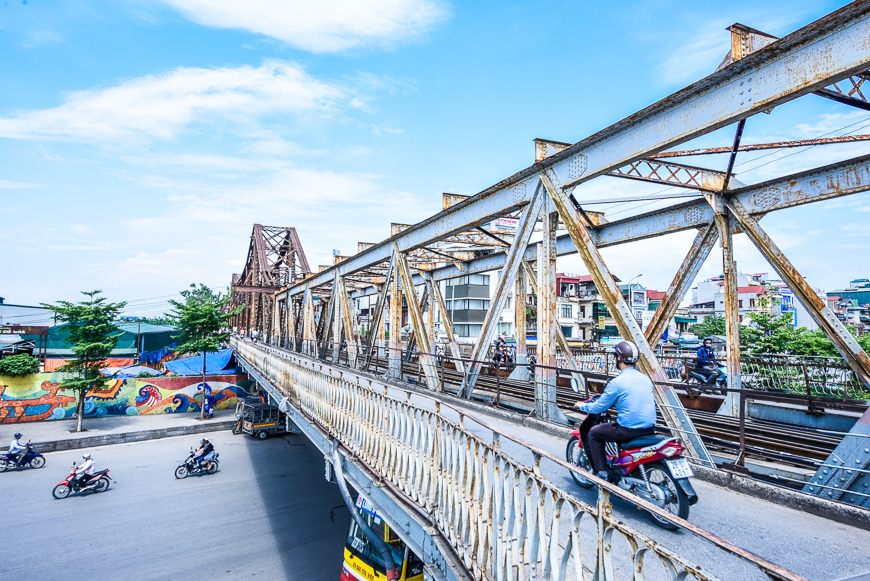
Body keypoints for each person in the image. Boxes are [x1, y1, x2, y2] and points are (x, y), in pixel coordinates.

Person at [573, 340, 656, 480]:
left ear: (618, 358)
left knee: (594, 433)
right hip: (649, 429)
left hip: (629, 430)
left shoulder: (617, 382)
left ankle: (602, 473)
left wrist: (582, 405)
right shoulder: (646, 379)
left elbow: (599, 406)